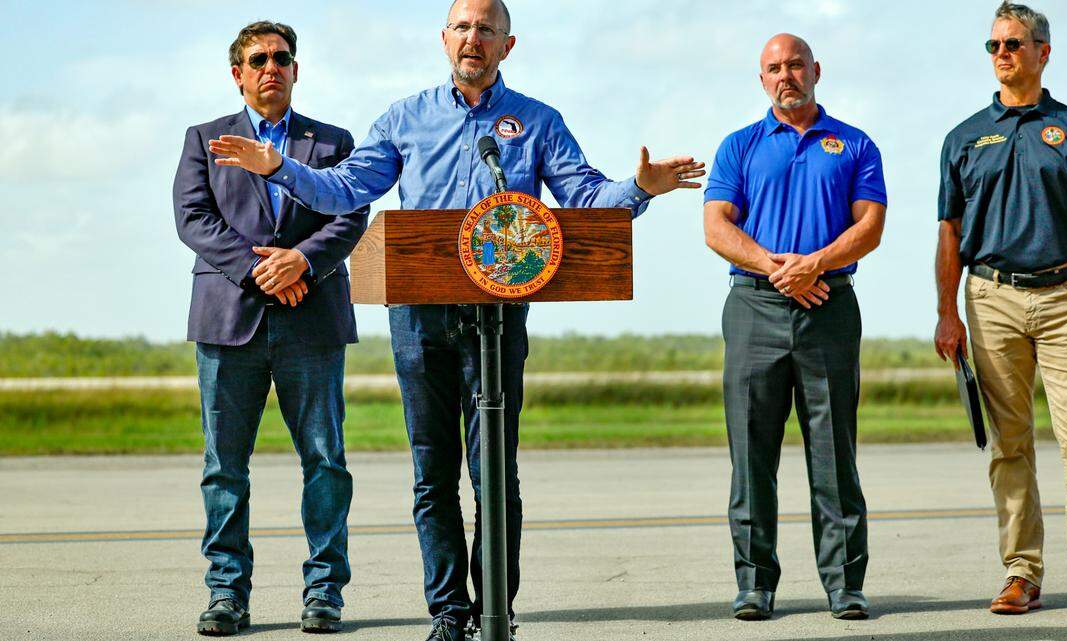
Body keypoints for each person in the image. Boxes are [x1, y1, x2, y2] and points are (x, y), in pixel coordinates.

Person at [206, 2, 705, 639]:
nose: (474, 39)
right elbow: (343, 190)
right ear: (445, 39)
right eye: (463, 28)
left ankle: (498, 605)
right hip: (419, 316)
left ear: (507, 44)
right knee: (432, 470)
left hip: (498, 319)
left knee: (496, 470)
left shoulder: (537, 121)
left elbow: (586, 200)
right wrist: (278, 167)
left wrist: (639, 188)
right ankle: (448, 611)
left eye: (487, 30)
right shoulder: (404, 119)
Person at [173, 20, 368, 636]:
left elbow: (351, 212)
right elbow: (193, 218)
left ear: (296, 69)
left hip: (312, 321)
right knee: (224, 466)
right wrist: (261, 273)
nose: (271, 68)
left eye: (282, 58)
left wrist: (301, 261)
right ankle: (226, 593)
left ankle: (324, 594)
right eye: (258, 59)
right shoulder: (204, 138)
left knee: (326, 462)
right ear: (238, 73)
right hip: (230, 322)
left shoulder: (332, 142)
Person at [933, 1, 1067, 621]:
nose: (1002, 54)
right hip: (989, 299)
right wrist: (947, 312)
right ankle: (1021, 573)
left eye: (1013, 43)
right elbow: (949, 235)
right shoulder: (963, 138)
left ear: (1043, 51)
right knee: (1008, 445)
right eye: (993, 46)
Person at [703, 33, 886, 622]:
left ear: (816, 71)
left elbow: (870, 226)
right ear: (762, 79)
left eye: (796, 65)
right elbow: (716, 227)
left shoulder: (854, 144)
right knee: (751, 455)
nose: (787, 75)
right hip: (754, 307)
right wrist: (781, 269)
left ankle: (844, 585)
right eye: (775, 68)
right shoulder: (740, 145)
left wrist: (816, 263)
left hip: (829, 307)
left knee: (834, 455)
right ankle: (755, 585)